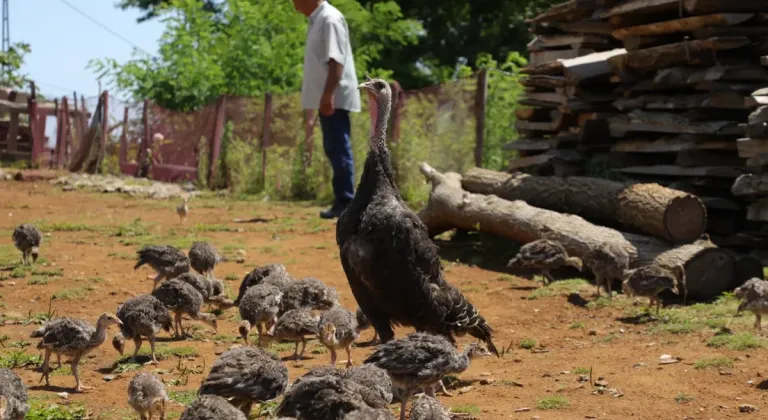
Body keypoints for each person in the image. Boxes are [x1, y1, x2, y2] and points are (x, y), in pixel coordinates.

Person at [293, 0, 361, 219]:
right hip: (327, 97)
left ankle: (346, 202)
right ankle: (342, 200)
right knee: (334, 148)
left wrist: (328, 95)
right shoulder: (319, 19)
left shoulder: (329, 19)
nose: (293, 3)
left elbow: (336, 61)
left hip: (333, 98)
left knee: (339, 148)